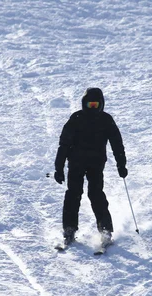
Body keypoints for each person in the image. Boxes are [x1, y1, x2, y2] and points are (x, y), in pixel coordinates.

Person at [54, 87, 128, 246]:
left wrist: (121, 165)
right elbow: (64, 145)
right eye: (89, 105)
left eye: (95, 105)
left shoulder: (106, 120)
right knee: (73, 194)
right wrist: (58, 168)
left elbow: (117, 144)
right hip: (76, 163)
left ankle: (105, 230)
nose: (92, 108)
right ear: (83, 104)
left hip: (96, 164)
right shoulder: (76, 118)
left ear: (101, 105)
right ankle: (69, 229)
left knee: (95, 194)